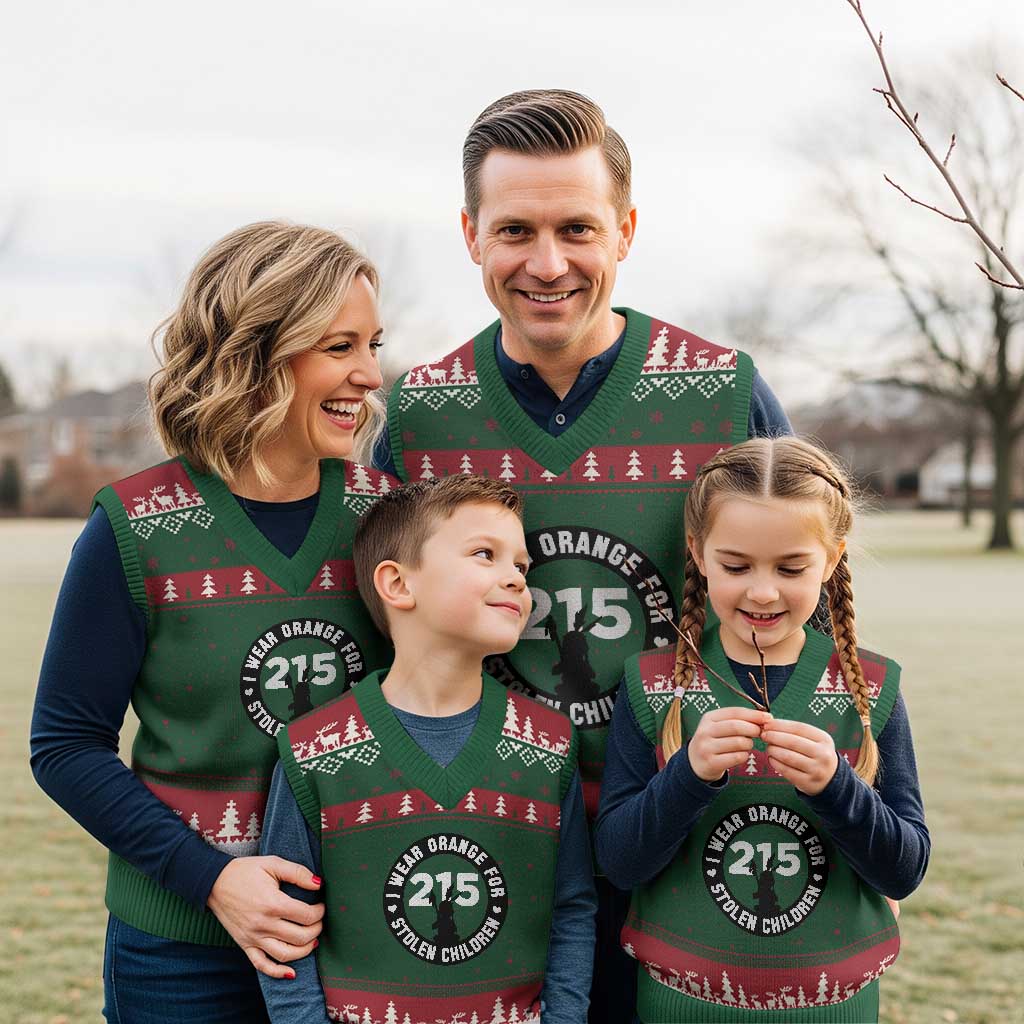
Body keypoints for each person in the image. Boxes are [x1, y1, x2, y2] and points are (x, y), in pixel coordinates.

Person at [373, 88, 792, 1022]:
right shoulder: (420, 416)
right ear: (472, 234)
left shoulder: (722, 394)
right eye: (515, 229)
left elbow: (807, 611)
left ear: (627, 230)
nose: (548, 263)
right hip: (497, 839)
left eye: (578, 228)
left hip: (693, 830)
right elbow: (384, 638)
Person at [30, 221, 399, 1023]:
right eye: (341, 347)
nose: (371, 375)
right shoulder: (132, 528)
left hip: (358, 939)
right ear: (260, 354)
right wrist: (214, 879)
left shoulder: (388, 522)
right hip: (176, 951)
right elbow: (63, 745)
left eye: (374, 343)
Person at [595, 437, 930, 1023]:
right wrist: (688, 777)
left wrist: (837, 786)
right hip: (679, 1007)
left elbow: (904, 869)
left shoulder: (870, 690)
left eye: (791, 567)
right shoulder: (651, 686)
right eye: (736, 565)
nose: (763, 590)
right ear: (697, 553)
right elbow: (620, 863)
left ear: (831, 560)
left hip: (835, 1008)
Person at [258, 474, 596, 1024]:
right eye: (485, 554)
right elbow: (286, 929)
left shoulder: (550, 744)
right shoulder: (312, 750)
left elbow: (571, 908)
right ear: (397, 584)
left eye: (522, 566)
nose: (515, 578)